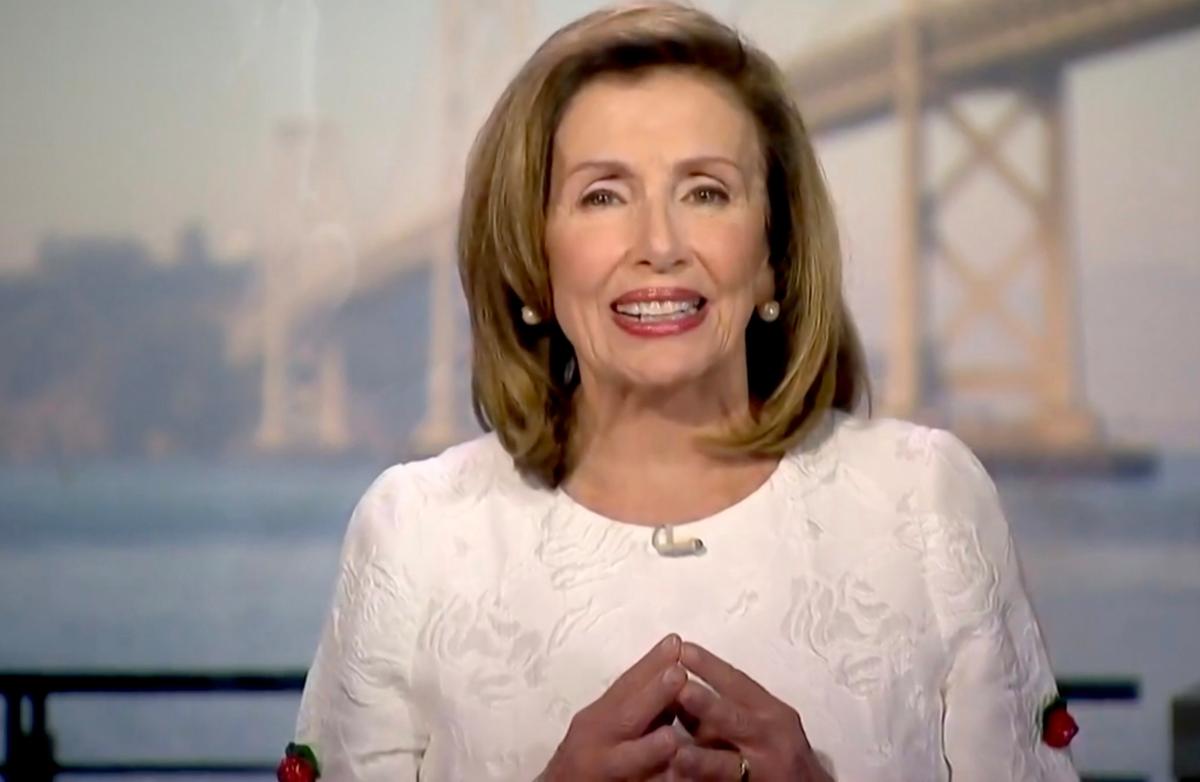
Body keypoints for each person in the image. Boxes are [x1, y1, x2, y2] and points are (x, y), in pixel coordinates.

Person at [283, 3, 1079, 780]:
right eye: (603, 195)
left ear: (772, 253)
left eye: (705, 192)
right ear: (534, 258)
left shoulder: (927, 502)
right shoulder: (415, 535)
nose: (659, 245)